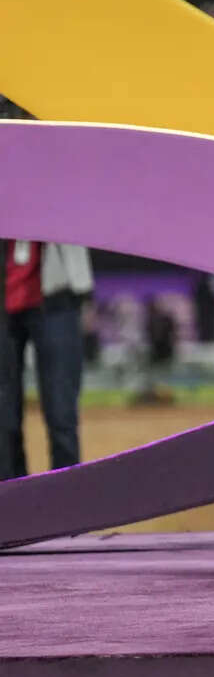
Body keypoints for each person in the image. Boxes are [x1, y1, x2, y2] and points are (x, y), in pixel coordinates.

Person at [0, 99, 91, 480]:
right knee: (3, 421)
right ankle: (11, 510)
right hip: (4, 304)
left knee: (61, 415)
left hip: (55, 297)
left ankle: (67, 510)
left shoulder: (62, 155)